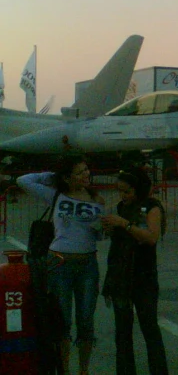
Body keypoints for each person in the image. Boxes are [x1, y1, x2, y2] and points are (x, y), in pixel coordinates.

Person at [17, 155, 105, 375]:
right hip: (59, 263)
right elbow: (23, 180)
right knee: (62, 322)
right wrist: (54, 178)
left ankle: (83, 370)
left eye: (86, 170)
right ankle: (63, 369)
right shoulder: (55, 195)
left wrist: (103, 228)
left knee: (86, 321)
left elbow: (100, 235)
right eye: (79, 172)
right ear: (67, 178)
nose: (86, 175)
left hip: (87, 264)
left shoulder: (96, 199)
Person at [102, 167, 169, 375]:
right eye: (120, 191)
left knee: (149, 328)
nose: (123, 196)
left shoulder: (152, 207)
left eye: (127, 191)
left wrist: (124, 224)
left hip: (143, 276)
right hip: (121, 275)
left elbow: (151, 237)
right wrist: (111, 228)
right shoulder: (123, 207)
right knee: (122, 332)